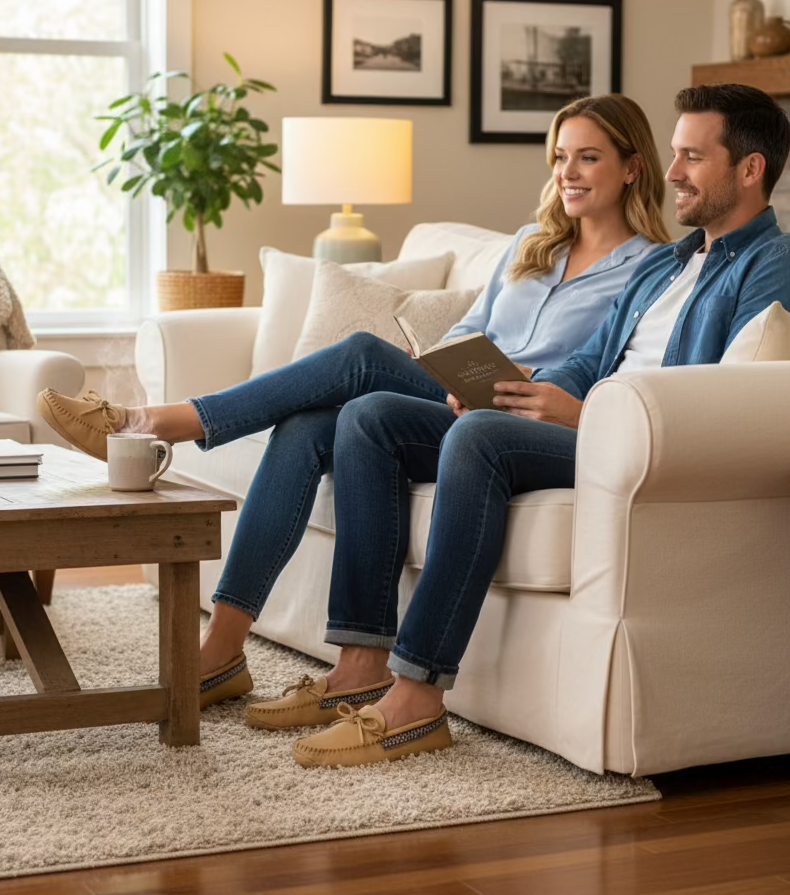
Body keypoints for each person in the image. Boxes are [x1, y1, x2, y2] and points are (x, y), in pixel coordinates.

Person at [36, 92, 671, 715]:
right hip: (455, 397)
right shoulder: (533, 243)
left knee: (363, 353)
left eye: (587, 158)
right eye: (560, 157)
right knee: (311, 423)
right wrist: (452, 368)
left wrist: (535, 378)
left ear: (631, 165)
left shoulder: (650, 269)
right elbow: (464, 329)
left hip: (520, 422)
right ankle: (225, 645)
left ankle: (153, 423)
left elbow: (612, 368)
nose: (567, 173)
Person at [285, 82, 790, 769]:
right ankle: (360, 658)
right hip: (585, 425)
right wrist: (520, 392)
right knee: (371, 418)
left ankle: (417, 695)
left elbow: (722, 402)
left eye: (692, 157)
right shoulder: (668, 262)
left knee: (478, 439)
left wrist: (586, 412)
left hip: (638, 447)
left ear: (750, 169)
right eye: (673, 153)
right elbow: (586, 358)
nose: (672, 173)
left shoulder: (777, 268)